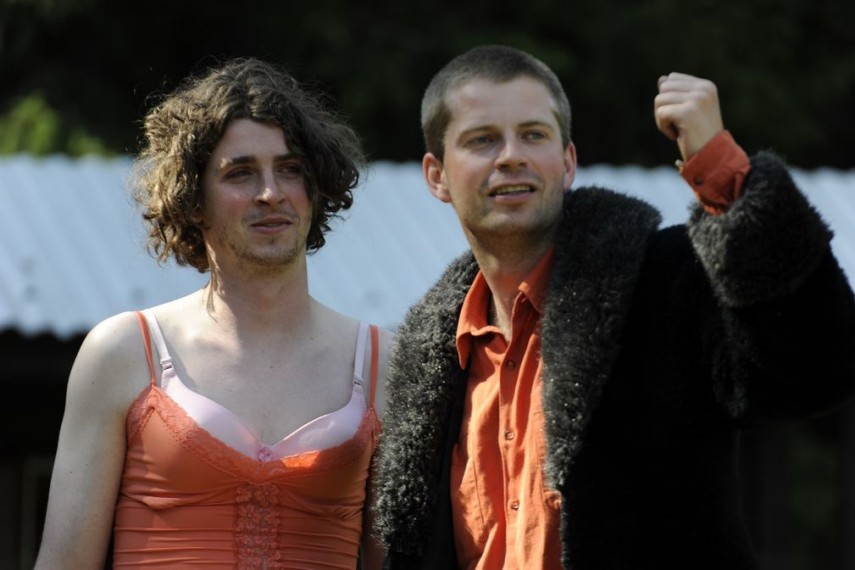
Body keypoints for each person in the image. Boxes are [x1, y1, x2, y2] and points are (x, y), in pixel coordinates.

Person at [371, 44, 855, 569]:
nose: (510, 155)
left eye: (533, 134)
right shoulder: (427, 357)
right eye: (482, 139)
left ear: (567, 162)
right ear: (437, 176)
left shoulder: (661, 280)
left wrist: (720, 165)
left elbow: (816, 369)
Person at [34, 57, 391, 569]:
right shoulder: (125, 352)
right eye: (240, 173)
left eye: (290, 169)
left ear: (314, 191)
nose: (271, 193)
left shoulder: (380, 362)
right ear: (193, 200)